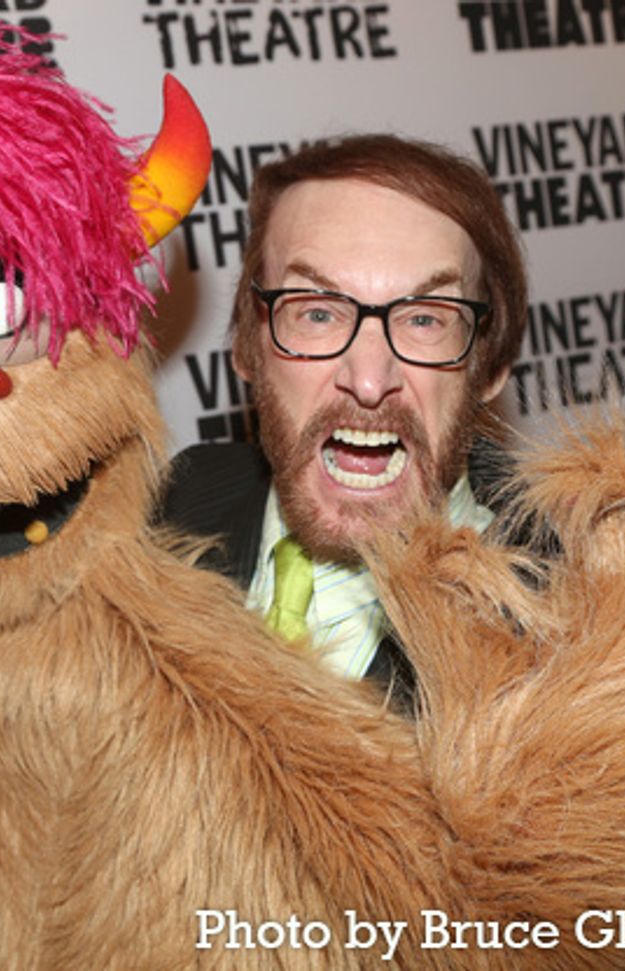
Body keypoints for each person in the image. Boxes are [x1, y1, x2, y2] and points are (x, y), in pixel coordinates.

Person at [162, 134, 528, 712]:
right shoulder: (165, 514)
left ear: (491, 366)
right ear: (246, 349)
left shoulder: (581, 632)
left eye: (425, 319)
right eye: (317, 312)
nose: (368, 378)